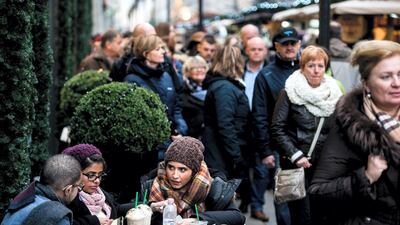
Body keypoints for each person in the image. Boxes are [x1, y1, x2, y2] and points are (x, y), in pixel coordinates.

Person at [309, 40, 400, 225]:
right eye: (386, 77)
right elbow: (318, 190)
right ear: (366, 84)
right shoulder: (350, 126)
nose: (396, 83)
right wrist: (366, 177)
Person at [271, 46, 342, 225]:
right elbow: (277, 128)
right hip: (299, 164)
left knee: (324, 214)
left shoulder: (334, 92)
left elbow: (340, 129)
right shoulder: (289, 92)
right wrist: (295, 154)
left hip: (326, 166)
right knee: (303, 216)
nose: (316, 70)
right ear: (302, 67)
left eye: (320, 65)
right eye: (311, 65)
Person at [252, 26, 302, 225]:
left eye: (293, 43)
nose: (290, 47)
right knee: (285, 200)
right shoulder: (266, 75)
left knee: (306, 201)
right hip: (279, 147)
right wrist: (265, 150)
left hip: (307, 144)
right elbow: (260, 115)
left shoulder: (306, 69)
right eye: (285, 44)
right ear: (276, 47)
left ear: (299, 45)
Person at [142, 137, 246, 225]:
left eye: (182, 169)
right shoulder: (154, 183)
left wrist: (197, 220)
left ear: (194, 171)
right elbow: (127, 208)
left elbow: (238, 216)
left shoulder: (212, 186)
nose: (175, 175)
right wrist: (151, 207)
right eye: (171, 167)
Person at [201, 45, 252, 215]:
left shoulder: (225, 85)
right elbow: (225, 124)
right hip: (221, 155)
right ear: (235, 62)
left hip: (220, 151)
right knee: (220, 204)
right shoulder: (225, 88)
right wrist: (236, 156)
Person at [62, 144, 134, 225]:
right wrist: (95, 222)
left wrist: (138, 206)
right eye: (91, 175)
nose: (97, 181)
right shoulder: (67, 199)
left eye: (100, 175)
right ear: (75, 174)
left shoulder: (101, 193)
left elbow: (116, 209)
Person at [1, 154, 82, 225]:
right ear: (68, 190)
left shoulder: (24, 197)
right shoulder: (58, 217)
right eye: (78, 186)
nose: (79, 190)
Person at [242, 36, 270, 221]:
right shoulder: (239, 71)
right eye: (253, 49)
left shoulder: (269, 72)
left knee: (262, 169)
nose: (257, 52)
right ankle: (244, 199)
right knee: (243, 167)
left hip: (262, 125)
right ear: (246, 51)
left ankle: (257, 206)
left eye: (260, 49)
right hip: (242, 125)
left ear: (266, 51)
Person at [328, 21, 360, 92]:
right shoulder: (353, 55)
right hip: (347, 98)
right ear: (340, 33)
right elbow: (358, 83)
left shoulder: (319, 53)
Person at [181, 56, 208, 139]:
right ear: (187, 71)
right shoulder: (182, 90)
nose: (200, 70)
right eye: (195, 68)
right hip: (191, 138)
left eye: (202, 67)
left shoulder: (212, 88)